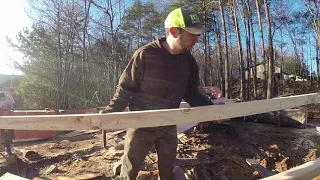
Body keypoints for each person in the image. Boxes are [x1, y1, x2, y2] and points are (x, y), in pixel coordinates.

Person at [101, 7, 214, 180]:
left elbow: (191, 92)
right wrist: (110, 113)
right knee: (129, 170)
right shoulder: (145, 54)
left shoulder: (189, 62)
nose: (196, 40)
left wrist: (208, 110)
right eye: (192, 34)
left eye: (197, 35)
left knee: (167, 170)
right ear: (173, 31)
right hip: (141, 123)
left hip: (168, 124)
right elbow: (125, 88)